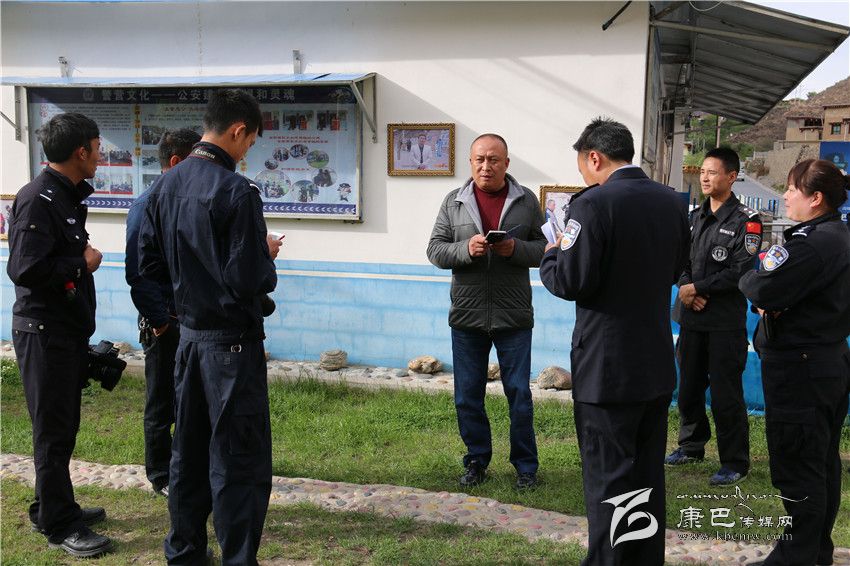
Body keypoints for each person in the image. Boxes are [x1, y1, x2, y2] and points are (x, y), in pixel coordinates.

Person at [138, 89, 281, 566]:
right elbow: (248, 278)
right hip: (232, 346)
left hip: (188, 340)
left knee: (188, 453)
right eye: (250, 143)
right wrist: (266, 260)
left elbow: (149, 266)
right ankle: (237, 558)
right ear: (238, 131)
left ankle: (184, 553)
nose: (247, 152)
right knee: (239, 459)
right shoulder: (236, 191)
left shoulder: (164, 186)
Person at [539, 117, 689, 566]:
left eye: (583, 166)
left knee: (609, 480)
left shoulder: (592, 204)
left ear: (594, 157)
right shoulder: (671, 201)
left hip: (607, 367)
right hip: (654, 361)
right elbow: (676, 268)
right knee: (645, 477)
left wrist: (551, 255)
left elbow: (571, 280)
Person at [6, 112, 113, 558]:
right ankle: (60, 525)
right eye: (97, 148)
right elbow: (24, 269)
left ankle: (51, 506)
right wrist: (80, 264)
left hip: (62, 332)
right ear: (80, 152)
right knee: (52, 432)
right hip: (44, 333)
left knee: (62, 427)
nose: (101, 157)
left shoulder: (63, 196)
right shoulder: (38, 199)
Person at [739, 159, 850, 566]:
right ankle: (816, 551)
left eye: (791, 189)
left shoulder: (813, 244)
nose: (785, 196)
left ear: (815, 198)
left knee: (799, 464)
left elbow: (758, 285)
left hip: (801, 370)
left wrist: (765, 293)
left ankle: (796, 556)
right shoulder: (839, 235)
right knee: (820, 463)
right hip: (826, 361)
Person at [427, 133, 546, 490]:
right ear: (470, 162)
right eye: (479, 159)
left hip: (514, 317)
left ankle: (526, 467)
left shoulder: (526, 201)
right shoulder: (454, 201)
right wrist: (466, 249)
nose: (486, 166)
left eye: (493, 159)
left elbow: (545, 248)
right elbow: (435, 250)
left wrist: (514, 249)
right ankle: (476, 461)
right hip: (467, 316)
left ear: (506, 163)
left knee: (519, 395)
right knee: (467, 396)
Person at [666, 147, 761, 487]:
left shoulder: (747, 220)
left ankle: (734, 462)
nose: (705, 177)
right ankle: (691, 446)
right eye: (703, 171)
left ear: (731, 177)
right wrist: (685, 287)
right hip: (692, 318)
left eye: (713, 172)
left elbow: (741, 271)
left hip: (723, 322)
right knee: (689, 388)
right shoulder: (694, 216)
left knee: (725, 395)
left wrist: (698, 288)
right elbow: (680, 260)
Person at [125, 128, 201, 498]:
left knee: (190, 398)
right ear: (175, 162)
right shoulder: (147, 205)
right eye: (195, 162)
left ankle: (187, 464)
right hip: (163, 321)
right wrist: (159, 323)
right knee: (161, 401)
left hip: (190, 317)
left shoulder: (187, 201)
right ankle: (160, 474)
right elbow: (137, 273)